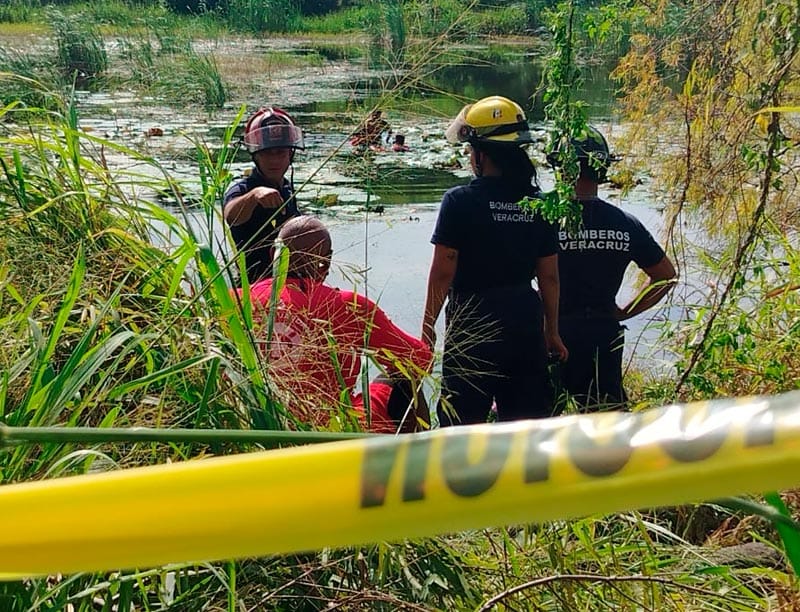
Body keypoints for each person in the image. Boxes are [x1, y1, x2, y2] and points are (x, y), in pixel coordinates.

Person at [421, 95, 568, 426]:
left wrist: (427, 328)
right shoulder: (540, 204)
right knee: (525, 426)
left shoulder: (459, 201)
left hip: (472, 321)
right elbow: (549, 277)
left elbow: (443, 271)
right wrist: (552, 332)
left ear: (481, 154)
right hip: (523, 322)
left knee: (460, 425)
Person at [242, 216, 432, 433]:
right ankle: (420, 460)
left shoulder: (237, 301)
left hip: (258, 426)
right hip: (335, 430)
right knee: (404, 378)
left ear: (273, 256)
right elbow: (419, 359)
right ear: (327, 262)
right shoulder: (349, 306)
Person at [550, 125, 677, 410]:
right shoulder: (624, 223)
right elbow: (665, 277)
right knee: (607, 427)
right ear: (602, 168)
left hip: (554, 334)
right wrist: (624, 312)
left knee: (540, 429)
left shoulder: (546, 221)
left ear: (561, 167)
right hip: (603, 334)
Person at [223, 106, 304, 283]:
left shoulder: (287, 189)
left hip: (289, 283)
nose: (274, 160)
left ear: (291, 154)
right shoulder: (242, 189)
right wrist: (254, 196)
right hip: (254, 285)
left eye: (280, 153)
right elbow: (231, 216)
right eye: (267, 154)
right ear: (255, 156)